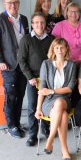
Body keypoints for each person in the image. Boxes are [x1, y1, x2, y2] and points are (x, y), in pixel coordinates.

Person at [0, 0, 29, 138]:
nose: (13, 5)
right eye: (9, 3)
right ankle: (11, 125)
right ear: (5, 4)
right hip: (8, 65)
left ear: (19, 3)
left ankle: (17, 123)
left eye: (15, 2)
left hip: (23, 64)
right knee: (11, 96)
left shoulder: (24, 19)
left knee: (20, 95)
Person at [35, 38, 77, 160]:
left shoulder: (71, 65)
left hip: (64, 99)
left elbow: (70, 88)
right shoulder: (46, 64)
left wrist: (52, 91)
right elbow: (42, 88)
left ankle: (51, 139)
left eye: (62, 47)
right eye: (57, 47)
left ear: (66, 50)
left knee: (59, 103)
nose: (59, 50)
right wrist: (38, 109)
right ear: (53, 49)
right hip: (48, 101)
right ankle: (65, 150)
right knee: (63, 116)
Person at [18, 12, 55, 146]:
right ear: (32, 24)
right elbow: (21, 61)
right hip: (33, 80)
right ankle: (33, 134)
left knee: (46, 105)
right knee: (33, 107)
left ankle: (45, 129)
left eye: (42, 22)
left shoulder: (51, 39)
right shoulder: (26, 39)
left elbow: (54, 59)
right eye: (36, 22)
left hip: (48, 80)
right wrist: (30, 77)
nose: (39, 25)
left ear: (45, 24)